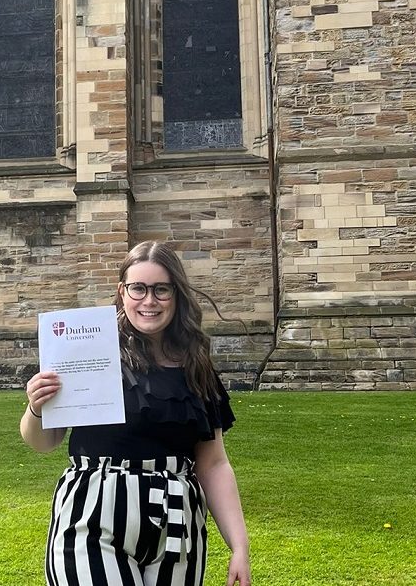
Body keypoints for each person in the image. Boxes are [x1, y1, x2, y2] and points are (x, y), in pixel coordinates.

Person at [21, 241, 251, 586]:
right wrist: (36, 407)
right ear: (122, 291)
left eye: (161, 290)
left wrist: (239, 546)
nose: (149, 301)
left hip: (177, 525)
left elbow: (214, 463)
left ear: (176, 294)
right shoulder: (88, 352)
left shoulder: (197, 367)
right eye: (138, 288)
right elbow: (44, 443)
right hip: (93, 516)